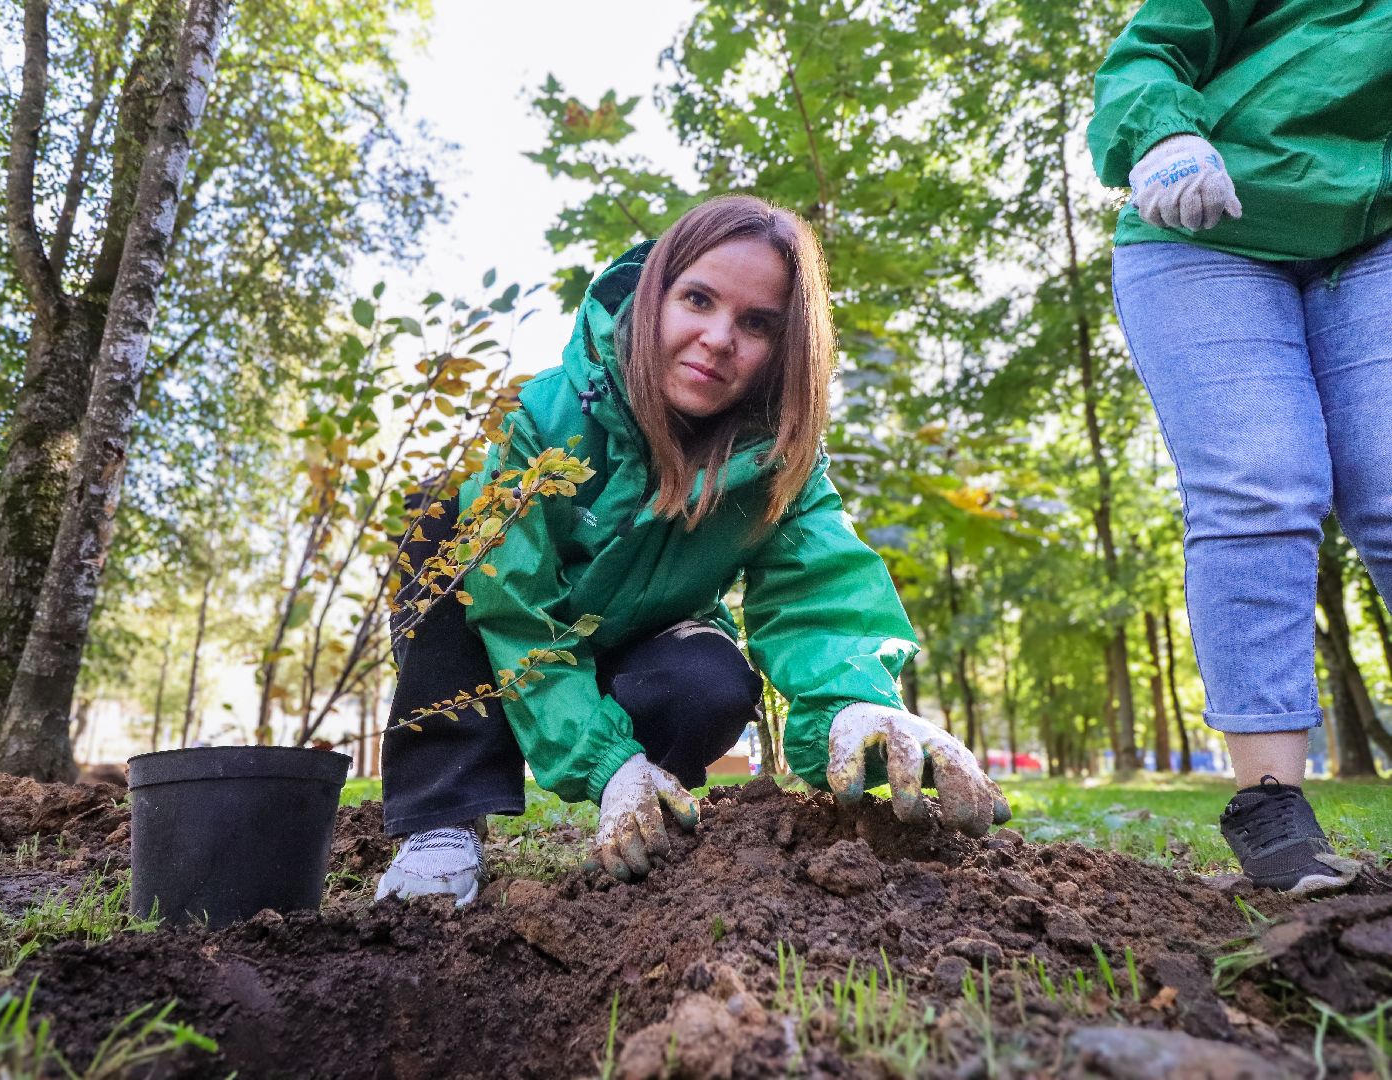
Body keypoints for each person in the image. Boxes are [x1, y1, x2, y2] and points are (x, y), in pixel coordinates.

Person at [374, 195, 1009, 905]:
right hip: (508, 637)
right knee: (443, 515)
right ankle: (445, 819)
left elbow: (821, 594)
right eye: (698, 300)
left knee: (711, 682)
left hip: (642, 645)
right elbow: (513, 606)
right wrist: (600, 759)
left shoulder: (780, 464)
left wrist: (854, 708)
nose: (717, 337)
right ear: (654, 297)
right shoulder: (542, 421)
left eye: (756, 323)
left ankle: (654, 802)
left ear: (785, 350)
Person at [1090, 0, 1390, 894]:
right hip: (1207, 223)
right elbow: (1147, 52)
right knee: (1263, 480)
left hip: (1375, 241)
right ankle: (1270, 806)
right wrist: (1160, 132)